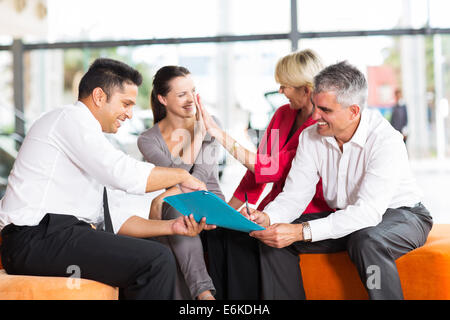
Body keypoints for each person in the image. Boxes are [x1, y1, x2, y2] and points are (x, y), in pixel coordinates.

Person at [0, 58, 214, 300]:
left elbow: (117, 219)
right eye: (126, 103)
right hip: (35, 238)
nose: (130, 114)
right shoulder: (69, 119)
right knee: (155, 261)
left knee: (153, 256)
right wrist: (181, 175)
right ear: (99, 97)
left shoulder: (90, 142)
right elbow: (122, 173)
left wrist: (171, 227)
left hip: (53, 238)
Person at [242, 61, 433, 300]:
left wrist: (300, 231)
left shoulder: (386, 140)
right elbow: (294, 196)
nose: (316, 116)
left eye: (326, 110)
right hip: (349, 215)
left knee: (366, 240)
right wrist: (269, 217)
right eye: (315, 106)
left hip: (403, 215)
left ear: (354, 111)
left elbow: (368, 214)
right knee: (273, 237)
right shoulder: (311, 137)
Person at [198, 49, 332, 299]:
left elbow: (270, 169)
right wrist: (227, 212)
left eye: (285, 86)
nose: (280, 91)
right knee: (219, 235)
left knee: (246, 242)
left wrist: (218, 134)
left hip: (309, 211)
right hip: (275, 208)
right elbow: (255, 175)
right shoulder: (282, 114)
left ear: (306, 88)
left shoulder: (319, 127)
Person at [137, 65, 223, 300]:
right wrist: (197, 133)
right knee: (175, 210)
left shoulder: (212, 122)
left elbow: (200, 178)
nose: (191, 99)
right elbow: (177, 175)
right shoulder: (148, 140)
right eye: (182, 94)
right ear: (163, 99)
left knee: (173, 206)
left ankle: (203, 294)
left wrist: (160, 197)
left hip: (210, 202)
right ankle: (203, 295)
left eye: (193, 91)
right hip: (178, 206)